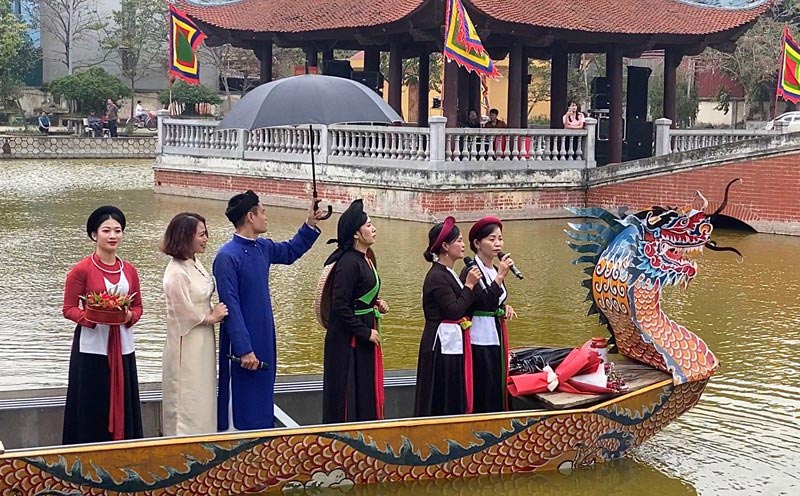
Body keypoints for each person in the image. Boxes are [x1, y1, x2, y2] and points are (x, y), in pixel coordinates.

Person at [213, 190, 326, 431]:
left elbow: (290, 251)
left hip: (265, 334)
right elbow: (230, 306)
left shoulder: (262, 247)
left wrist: (310, 223)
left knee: (263, 393)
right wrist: (244, 349)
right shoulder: (226, 256)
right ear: (251, 217)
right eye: (263, 212)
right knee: (242, 399)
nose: (266, 217)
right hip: (242, 344)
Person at [62, 206, 144, 444]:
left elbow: (138, 307)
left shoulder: (129, 270)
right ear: (93, 235)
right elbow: (68, 308)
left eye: (118, 231)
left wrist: (128, 317)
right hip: (92, 347)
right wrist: (93, 317)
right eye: (106, 230)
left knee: (125, 397)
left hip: (123, 347)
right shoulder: (81, 270)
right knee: (92, 399)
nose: (113, 236)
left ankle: (124, 447)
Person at [161, 212, 228, 436]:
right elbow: (182, 312)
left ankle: (206, 437)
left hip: (204, 338)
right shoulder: (176, 272)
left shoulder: (195, 262)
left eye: (205, 234)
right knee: (189, 391)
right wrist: (211, 317)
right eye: (201, 235)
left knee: (204, 390)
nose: (205, 238)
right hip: (187, 340)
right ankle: (185, 441)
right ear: (185, 237)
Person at [321, 200, 387, 423]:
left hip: (363, 331)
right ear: (356, 234)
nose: (373, 228)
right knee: (350, 390)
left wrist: (376, 303)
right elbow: (340, 305)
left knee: (364, 386)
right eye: (368, 225)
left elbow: (360, 295)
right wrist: (365, 332)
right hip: (349, 338)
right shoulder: (349, 262)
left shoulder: (366, 260)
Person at [414, 216, 482, 417]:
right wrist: (469, 286)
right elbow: (453, 310)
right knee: (441, 386)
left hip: (452, 337)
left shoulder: (448, 273)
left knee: (452, 383)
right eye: (459, 240)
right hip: (440, 340)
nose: (463, 245)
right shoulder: (437, 276)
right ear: (445, 246)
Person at [461, 216, 517, 413]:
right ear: (477, 243)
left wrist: (505, 307)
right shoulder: (471, 270)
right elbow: (483, 301)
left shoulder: (494, 269)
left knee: (496, 379)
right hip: (478, 336)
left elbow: (495, 300)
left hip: (495, 333)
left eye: (500, 239)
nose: (497, 244)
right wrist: (501, 276)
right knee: (482, 381)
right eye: (491, 239)